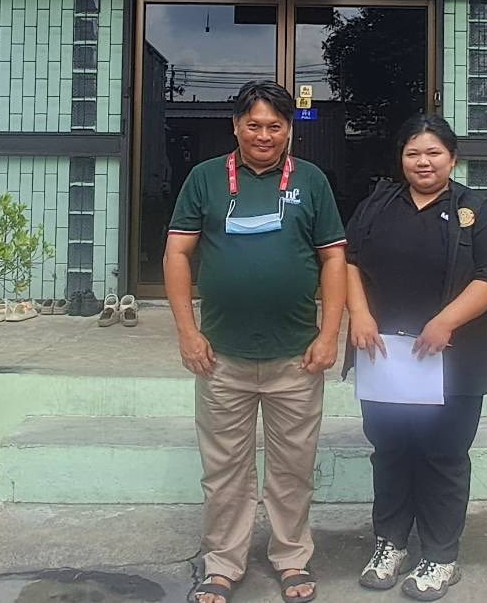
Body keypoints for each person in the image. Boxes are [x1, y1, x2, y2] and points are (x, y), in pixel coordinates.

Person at [165, 80, 348, 603]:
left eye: (274, 126)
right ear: (236, 126)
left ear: (289, 129)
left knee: (293, 468)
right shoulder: (205, 178)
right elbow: (177, 254)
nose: (263, 135)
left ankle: (292, 558)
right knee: (224, 470)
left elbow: (334, 258)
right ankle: (223, 563)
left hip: (297, 357)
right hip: (221, 357)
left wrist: (329, 335)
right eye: (254, 125)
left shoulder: (311, 180)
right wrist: (188, 333)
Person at [342, 115, 487, 601]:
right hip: (386, 358)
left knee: (443, 455)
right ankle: (391, 544)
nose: (423, 162)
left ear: (452, 159)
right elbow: (348, 261)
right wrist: (359, 313)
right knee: (391, 451)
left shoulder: (475, 211)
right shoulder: (379, 205)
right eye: (413, 153)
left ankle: (440, 555)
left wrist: (445, 322)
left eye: (434, 152)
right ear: (401, 159)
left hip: (453, 361)